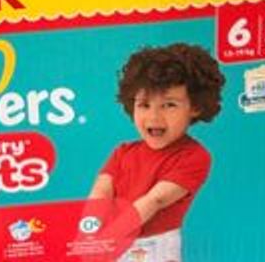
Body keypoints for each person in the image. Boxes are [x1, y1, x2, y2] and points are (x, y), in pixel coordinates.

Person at [83, 43, 225, 262]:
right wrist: (88, 232)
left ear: (195, 107)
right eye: (144, 105)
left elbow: (155, 200)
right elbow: (100, 193)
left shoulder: (194, 156)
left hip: (155, 245)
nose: (154, 117)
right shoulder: (123, 152)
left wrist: (109, 237)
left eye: (169, 105)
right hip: (113, 240)